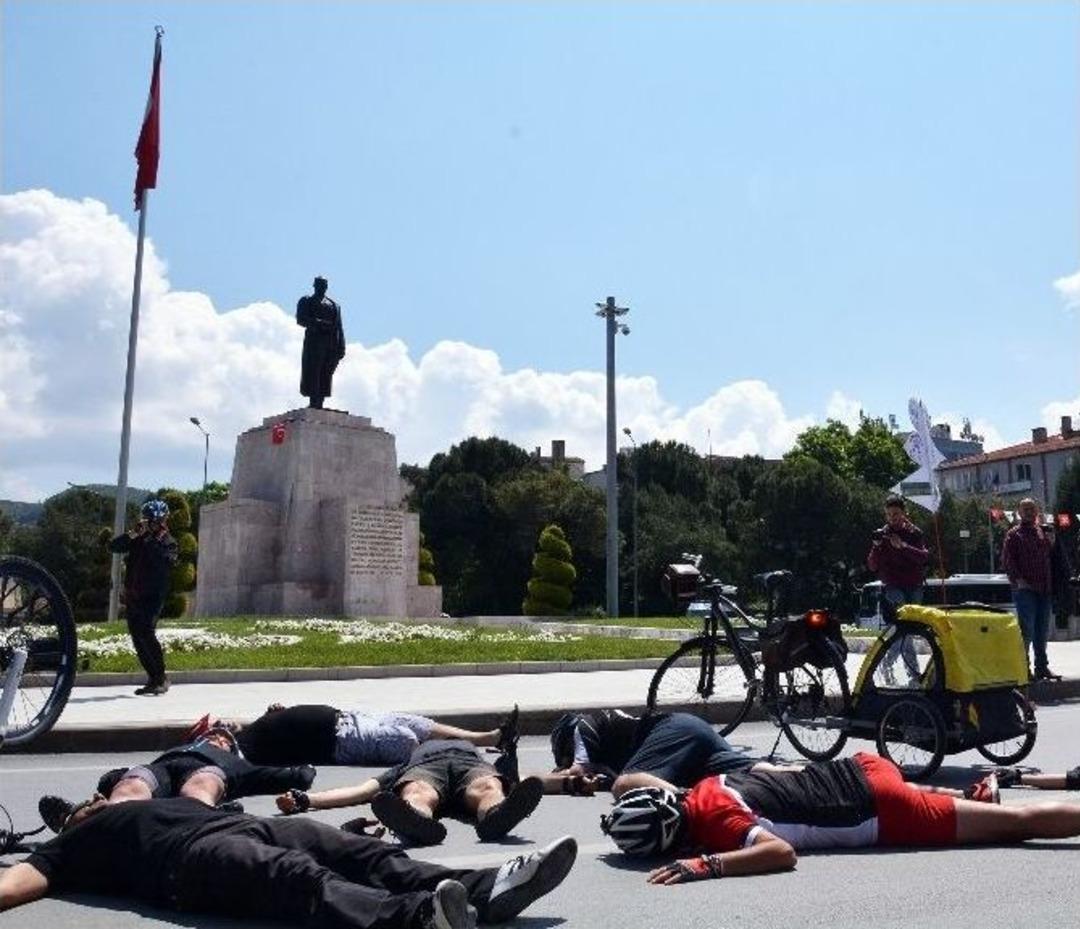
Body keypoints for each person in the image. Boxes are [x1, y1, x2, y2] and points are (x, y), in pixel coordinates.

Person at [0, 795, 578, 929]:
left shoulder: (151, 798)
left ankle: (489, 889)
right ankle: (418, 919)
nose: (92, 804)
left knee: (362, 851)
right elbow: (16, 882)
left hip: (246, 822)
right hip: (190, 861)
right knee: (297, 880)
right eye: (78, 808)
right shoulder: (68, 848)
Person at [600, 752, 1080, 884]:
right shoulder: (703, 789)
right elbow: (629, 782)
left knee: (1022, 825)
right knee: (981, 813)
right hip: (861, 767)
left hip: (881, 811)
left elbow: (781, 853)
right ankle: (972, 796)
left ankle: (975, 803)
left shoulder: (718, 828)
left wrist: (706, 865)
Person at [37, 725, 317, 833]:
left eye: (224, 738)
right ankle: (82, 821)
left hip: (206, 776)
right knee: (131, 785)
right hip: (160, 772)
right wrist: (117, 781)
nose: (217, 736)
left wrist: (303, 757)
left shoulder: (240, 766)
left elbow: (299, 776)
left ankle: (199, 821)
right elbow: (108, 779)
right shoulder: (175, 750)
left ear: (232, 748)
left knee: (199, 788)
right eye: (212, 733)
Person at [277, 738, 544, 846]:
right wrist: (305, 799)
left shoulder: (476, 755)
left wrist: (572, 782)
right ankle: (416, 821)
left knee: (490, 786)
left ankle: (496, 817)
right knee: (417, 790)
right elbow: (362, 790)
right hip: (425, 770)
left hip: (471, 766)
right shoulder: (409, 761)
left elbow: (528, 781)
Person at [545, 709, 791, 798]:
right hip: (689, 739)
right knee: (743, 771)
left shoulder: (581, 725)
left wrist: (565, 772)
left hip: (672, 731)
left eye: (565, 756)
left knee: (625, 785)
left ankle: (689, 803)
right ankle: (806, 774)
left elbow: (579, 769)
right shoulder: (613, 752)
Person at [186, 702, 519, 767]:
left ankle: (490, 738)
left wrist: (278, 712)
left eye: (220, 721)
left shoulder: (254, 728)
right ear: (216, 740)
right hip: (342, 742)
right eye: (217, 727)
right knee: (406, 741)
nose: (224, 723)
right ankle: (458, 763)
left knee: (418, 723)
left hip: (349, 717)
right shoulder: (247, 751)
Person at [109, 498, 178, 695]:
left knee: (147, 632)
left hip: (153, 597)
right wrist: (132, 534)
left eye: (153, 521)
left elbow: (164, 563)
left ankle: (162, 677)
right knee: (137, 636)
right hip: (134, 597)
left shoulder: (168, 542)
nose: (150, 524)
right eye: (147, 520)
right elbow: (113, 546)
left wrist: (150, 539)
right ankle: (152, 678)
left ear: (163, 520)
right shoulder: (138, 539)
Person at [1002, 498, 1061, 680]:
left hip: (1045, 589)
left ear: (1037, 512)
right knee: (1026, 630)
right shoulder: (1014, 534)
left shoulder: (1042, 533)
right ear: (1019, 512)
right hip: (1025, 589)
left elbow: (1052, 558)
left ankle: (1041, 667)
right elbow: (1007, 560)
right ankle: (1023, 669)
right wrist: (1019, 580)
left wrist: (1052, 541)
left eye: (1032, 509)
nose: (1029, 512)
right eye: (1025, 509)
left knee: (1042, 631)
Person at [296, 275, 346, 410]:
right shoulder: (307, 300)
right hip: (314, 341)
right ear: (314, 286)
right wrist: (318, 323)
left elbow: (339, 327)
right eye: (319, 284)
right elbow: (300, 319)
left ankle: (320, 402)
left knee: (326, 371)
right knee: (313, 370)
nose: (322, 287)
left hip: (330, 343)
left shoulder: (334, 305)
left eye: (324, 285)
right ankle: (314, 402)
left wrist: (341, 345)